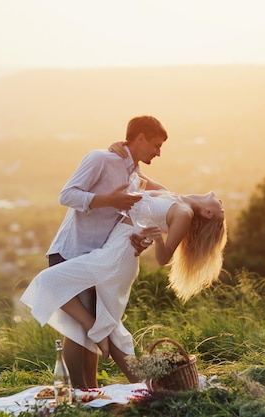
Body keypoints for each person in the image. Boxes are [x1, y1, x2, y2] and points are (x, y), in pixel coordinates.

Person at [21, 189, 227, 385]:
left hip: (118, 258)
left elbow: (164, 258)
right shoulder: (175, 197)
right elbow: (135, 174)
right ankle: (142, 385)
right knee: (111, 326)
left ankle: (91, 328)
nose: (221, 202)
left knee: (49, 281)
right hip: (113, 252)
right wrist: (120, 152)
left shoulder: (185, 213)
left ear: (208, 213)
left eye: (222, 209)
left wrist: (157, 239)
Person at [29, 115, 169, 389]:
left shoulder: (132, 173)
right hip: (72, 251)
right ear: (139, 138)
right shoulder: (100, 159)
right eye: (155, 145)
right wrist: (109, 200)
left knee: (91, 329)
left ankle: (91, 391)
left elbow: (140, 209)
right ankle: (78, 393)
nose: (158, 152)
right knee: (78, 330)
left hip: (98, 258)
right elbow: (66, 195)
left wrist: (141, 239)